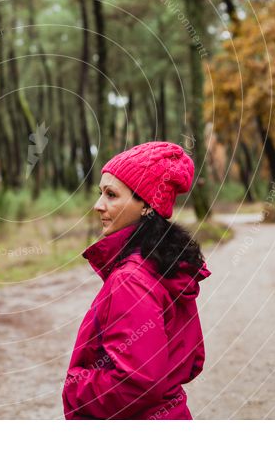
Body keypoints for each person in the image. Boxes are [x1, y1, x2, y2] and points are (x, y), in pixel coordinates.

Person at [62, 141, 211, 420]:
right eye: (100, 193)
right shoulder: (161, 264)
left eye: (111, 195)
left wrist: (76, 390)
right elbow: (190, 360)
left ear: (145, 204)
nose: (98, 205)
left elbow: (137, 381)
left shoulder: (131, 279)